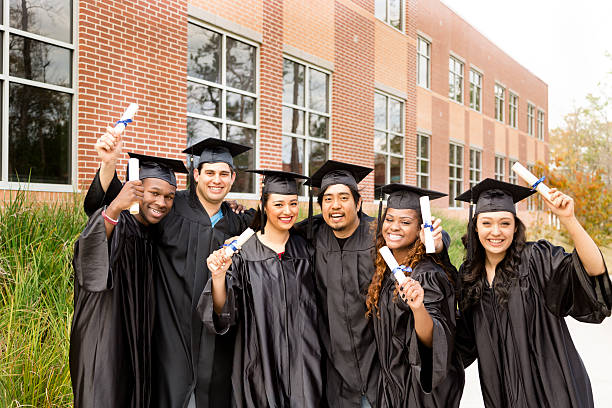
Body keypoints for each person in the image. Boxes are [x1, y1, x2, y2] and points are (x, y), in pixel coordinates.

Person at [83, 128, 255, 408]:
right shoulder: (167, 208)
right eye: (209, 172)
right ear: (196, 174)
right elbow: (110, 207)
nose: (217, 180)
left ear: (233, 178)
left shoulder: (238, 223)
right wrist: (108, 164)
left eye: (224, 174)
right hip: (167, 335)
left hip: (217, 339)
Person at [300, 160, 452, 407]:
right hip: (336, 374)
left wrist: (440, 240)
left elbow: (413, 240)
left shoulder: (379, 236)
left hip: (380, 371)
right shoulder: (313, 235)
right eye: (328, 199)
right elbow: (275, 227)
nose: (335, 205)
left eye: (343, 197)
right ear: (320, 207)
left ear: (359, 203)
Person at [455, 178, 612, 408]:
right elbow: (463, 342)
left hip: (552, 390)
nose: (496, 232)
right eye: (487, 223)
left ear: (516, 227)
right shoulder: (468, 276)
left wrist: (568, 219)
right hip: (502, 394)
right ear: (475, 226)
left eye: (505, 223)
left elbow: (594, 270)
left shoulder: (537, 259)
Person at [198, 170, 323, 407]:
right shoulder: (244, 252)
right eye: (279, 204)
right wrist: (218, 277)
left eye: (293, 203)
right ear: (263, 206)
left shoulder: (307, 249)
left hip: (305, 365)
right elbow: (223, 313)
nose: (288, 211)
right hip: (259, 363)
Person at [70, 153, 187, 408]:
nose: (161, 202)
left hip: (138, 343)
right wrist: (113, 205)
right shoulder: (119, 221)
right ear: (135, 191)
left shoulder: (151, 233)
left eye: (169, 197)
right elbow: (89, 257)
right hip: (105, 342)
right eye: (153, 193)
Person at [366, 183, 464, 407]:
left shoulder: (427, 275)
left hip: (418, 393)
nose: (394, 227)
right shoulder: (386, 269)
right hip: (392, 387)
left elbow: (433, 339)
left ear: (421, 229)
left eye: (405, 222)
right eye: (389, 219)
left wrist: (418, 307)